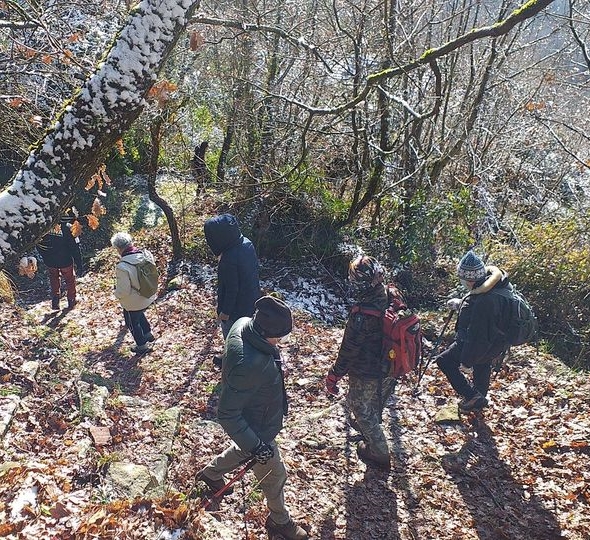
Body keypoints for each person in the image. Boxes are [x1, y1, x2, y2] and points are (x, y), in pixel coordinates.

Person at [196, 296, 308, 540]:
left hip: (260, 411)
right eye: (279, 336)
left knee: (243, 449)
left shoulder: (243, 323)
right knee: (275, 474)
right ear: (265, 330)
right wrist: (257, 445)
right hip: (257, 425)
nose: (281, 342)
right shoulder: (250, 364)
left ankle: (210, 473)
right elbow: (227, 414)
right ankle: (280, 521)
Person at [324, 255, 396, 470]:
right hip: (391, 366)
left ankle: (380, 452)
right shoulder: (391, 294)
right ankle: (371, 437)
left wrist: (334, 375)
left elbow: (348, 350)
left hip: (366, 371)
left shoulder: (362, 314)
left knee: (359, 407)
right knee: (374, 407)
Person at [436, 250, 511, 413]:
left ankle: (471, 396)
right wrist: (462, 304)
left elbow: (477, 337)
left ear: (469, 280)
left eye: (463, 278)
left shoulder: (483, 301)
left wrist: (467, 361)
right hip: (498, 342)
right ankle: (478, 401)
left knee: (444, 361)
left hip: (483, 342)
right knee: (483, 363)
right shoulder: (496, 286)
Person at [203, 213, 261, 364]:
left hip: (235, 308)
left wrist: (225, 312)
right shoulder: (246, 243)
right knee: (246, 330)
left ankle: (232, 359)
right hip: (251, 298)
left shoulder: (228, 259)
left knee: (232, 335)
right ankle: (239, 355)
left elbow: (231, 289)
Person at [110, 232, 157, 354]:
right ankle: (148, 334)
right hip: (149, 295)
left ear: (119, 249)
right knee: (139, 313)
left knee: (131, 321)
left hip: (135, 301)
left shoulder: (122, 266)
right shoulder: (145, 255)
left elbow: (124, 291)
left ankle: (141, 345)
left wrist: (116, 293)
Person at [37, 216, 84, 310]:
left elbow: (39, 245)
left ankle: (55, 300)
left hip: (50, 261)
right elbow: (75, 247)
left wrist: (45, 257)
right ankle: (71, 300)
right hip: (65, 260)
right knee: (70, 279)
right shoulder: (68, 227)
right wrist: (79, 263)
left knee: (53, 278)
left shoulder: (45, 228)